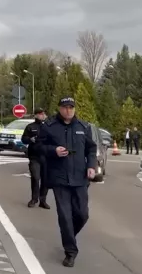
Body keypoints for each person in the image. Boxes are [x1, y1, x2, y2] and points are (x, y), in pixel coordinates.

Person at [38, 97, 97, 268]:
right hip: (59, 178)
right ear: (59, 108)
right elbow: (38, 147)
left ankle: (69, 235)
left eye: (71, 107)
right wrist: (53, 150)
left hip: (79, 178)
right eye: (65, 107)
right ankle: (70, 252)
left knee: (82, 215)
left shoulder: (83, 127)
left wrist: (91, 166)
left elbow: (91, 149)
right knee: (65, 217)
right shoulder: (49, 127)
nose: (68, 110)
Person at [21, 108, 50, 209]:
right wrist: (30, 139)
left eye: (43, 113)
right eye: (40, 114)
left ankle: (43, 200)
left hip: (46, 157)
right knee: (35, 177)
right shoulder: (30, 127)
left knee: (45, 179)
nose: (42, 115)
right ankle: (34, 199)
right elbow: (23, 139)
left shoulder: (49, 126)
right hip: (34, 157)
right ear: (36, 115)